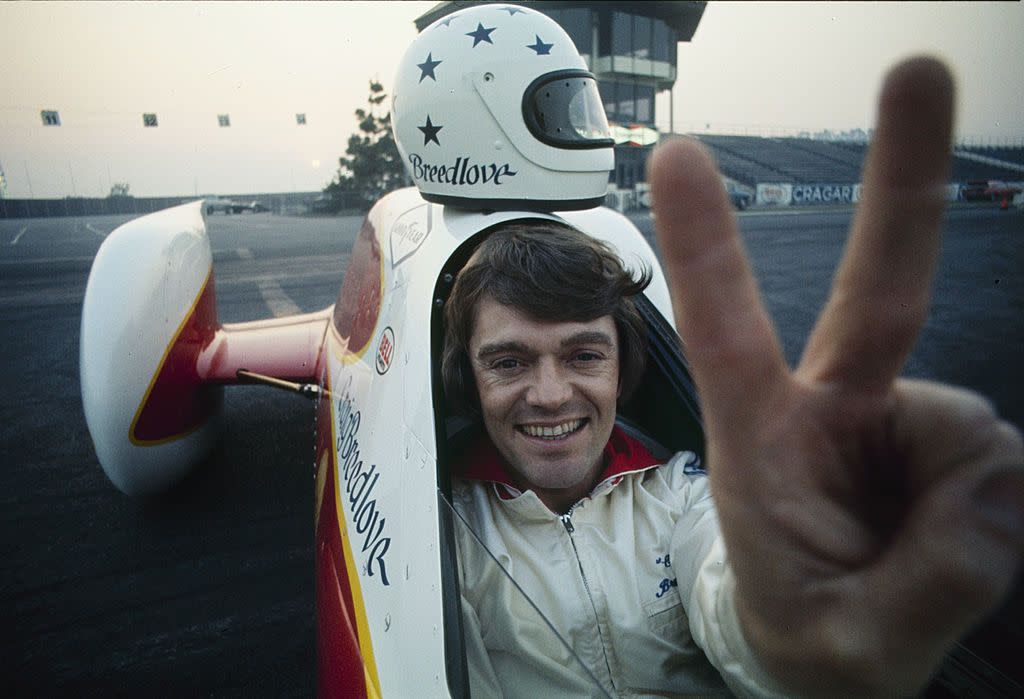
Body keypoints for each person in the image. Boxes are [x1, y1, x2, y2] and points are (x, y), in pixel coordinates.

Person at [391, 5, 1023, 696]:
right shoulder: (434, 536)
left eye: (583, 355)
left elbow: (734, 609)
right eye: (509, 361)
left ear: (623, 368)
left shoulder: (683, 495)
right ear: (465, 377)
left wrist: (786, 632)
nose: (549, 393)